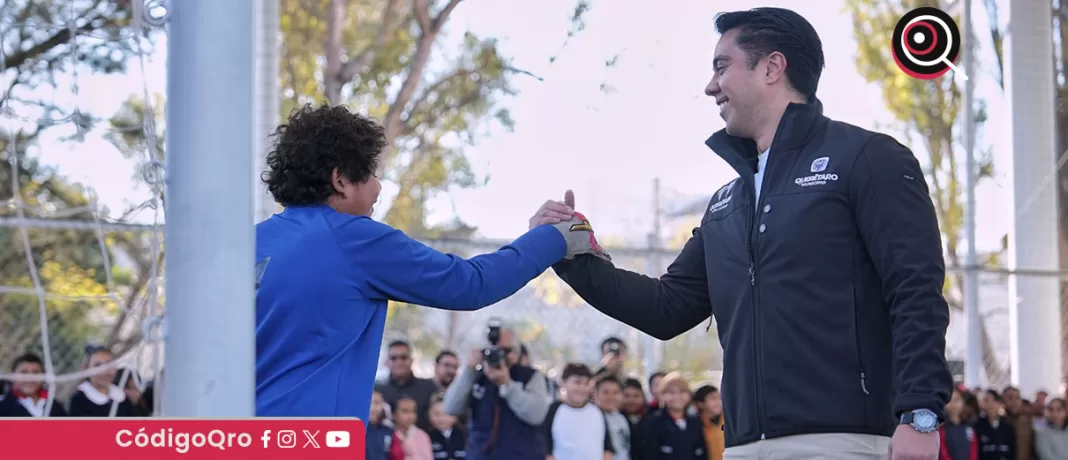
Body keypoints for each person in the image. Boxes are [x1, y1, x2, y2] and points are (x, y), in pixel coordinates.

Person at [536, 7, 953, 460]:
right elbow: (666, 308)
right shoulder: (725, 203)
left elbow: (916, 289)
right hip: (741, 446)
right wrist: (572, 252)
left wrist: (920, 413)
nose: (710, 85)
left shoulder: (868, 158)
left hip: (845, 440)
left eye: (721, 66)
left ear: (772, 67)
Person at [254, 104, 604, 419]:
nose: (379, 188)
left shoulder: (250, 243)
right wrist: (556, 238)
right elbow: (470, 284)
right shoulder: (354, 239)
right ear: (341, 180)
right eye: (373, 174)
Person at [442, 325, 552, 460]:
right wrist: (468, 371)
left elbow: (536, 415)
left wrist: (507, 384)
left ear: (517, 351)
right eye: (493, 350)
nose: (500, 355)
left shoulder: (530, 376)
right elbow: (450, 408)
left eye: (506, 350)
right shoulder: (476, 376)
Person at [544, 363, 614, 460]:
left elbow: (608, 448)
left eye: (586, 384)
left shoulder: (597, 411)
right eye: (577, 382)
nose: (582, 388)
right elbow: (546, 449)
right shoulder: (553, 411)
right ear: (563, 382)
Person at [640, 372, 706, 459]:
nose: (677, 396)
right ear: (662, 395)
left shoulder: (695, 421)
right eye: (671, 392)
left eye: (682, 391)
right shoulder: (653, 422)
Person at [375, 340, 438, 431]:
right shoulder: (378, 390)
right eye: (393, 358)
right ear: (387, 362)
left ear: (411, 360)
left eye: (403, 357)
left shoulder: (428, 387)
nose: (399, 362)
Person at [68, 346, 135, 417]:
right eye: (97, 365)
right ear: (86, 369)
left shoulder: (121, 396)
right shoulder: (79, 400)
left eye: (109, 364)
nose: (105, 371)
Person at [0, 353, 66, 417]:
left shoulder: (54, 406)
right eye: (24, 372)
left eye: (35, 373)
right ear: (12, 376)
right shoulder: (3, 407)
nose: (30, 378)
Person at [595, 375, 633, 460]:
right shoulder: (593, 418)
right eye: (606, 392)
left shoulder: (622, 419)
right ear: (595, 394)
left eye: (615, 392)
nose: (611, 397)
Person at [975, 390, 1016, 460]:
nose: (990, 404)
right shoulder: (976, 427)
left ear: (999, 403)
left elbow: (1012, 452)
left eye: (994, 401)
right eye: (986, 401)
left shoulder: (1008, 428)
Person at [393, 396, 433, 460]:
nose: (410, 415)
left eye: (413, 411)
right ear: (394, 414)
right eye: (405, 411)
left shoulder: (422, 435)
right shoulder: (389, 434)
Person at [693, 385, 724, 460]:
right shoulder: (696, 427)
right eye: (713, 398)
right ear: (700, 404)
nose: (718, 402)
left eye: (719, 398)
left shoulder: (728, 422)